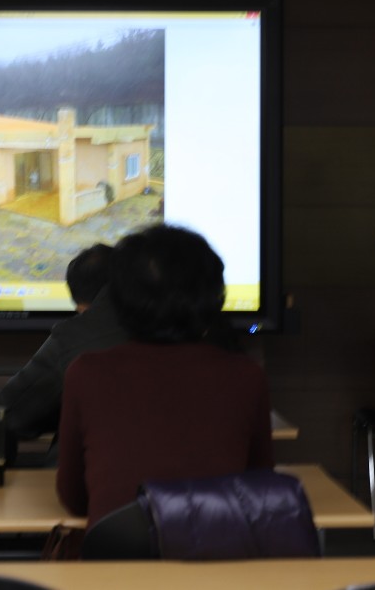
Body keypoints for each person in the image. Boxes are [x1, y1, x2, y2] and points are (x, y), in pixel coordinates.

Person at [56, 224, 275, 527]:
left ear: (117, 301)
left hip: (117, 554)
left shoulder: (86, 373)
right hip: (218, 550)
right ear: (214, 298)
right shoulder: (246, 376)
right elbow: (258, 488)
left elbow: (74, 498)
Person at [0, 243, 125, 440]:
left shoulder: (76, 338)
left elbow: (9, 417)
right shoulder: (169, 328)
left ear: (80, 305)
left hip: (93, 459)